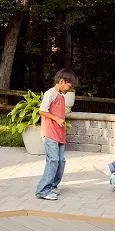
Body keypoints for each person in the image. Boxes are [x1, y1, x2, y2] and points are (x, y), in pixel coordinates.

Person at [34, 69, 78, 200]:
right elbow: (42, 111)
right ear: (61, 81)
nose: (70, 89)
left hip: (59, 134)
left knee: (61, 162)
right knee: (53, 161)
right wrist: (57, 119)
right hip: (50, 133)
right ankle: (42, 190)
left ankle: (52, 186)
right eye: (69, 86)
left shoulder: (61, 96)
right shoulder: (50, 93)